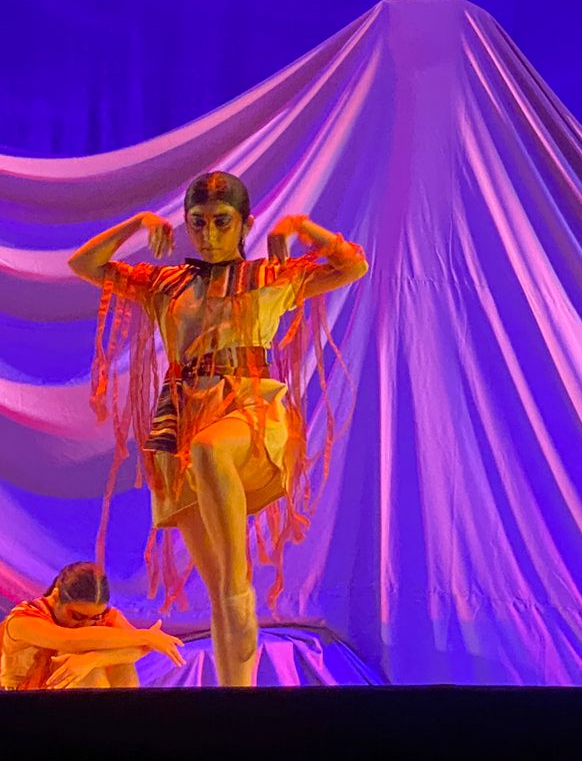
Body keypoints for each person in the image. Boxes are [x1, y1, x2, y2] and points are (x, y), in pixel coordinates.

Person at [70, 171, 367, 686]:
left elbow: (353, 264)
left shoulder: (269, 277)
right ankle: (236, 698)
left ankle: (239, 610)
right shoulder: (166, 284)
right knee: (225, 589)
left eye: (222, 222)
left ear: (245, 224)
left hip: (248, 411)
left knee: (211, 460)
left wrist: (302, 225)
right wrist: (138, 222)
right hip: (180, 424)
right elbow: (85, 264)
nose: (208, 234)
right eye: (198, 222)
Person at [0, 562, 184, 690]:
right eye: (78, 616)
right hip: (18, 713)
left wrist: (94, 659)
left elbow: (139, 649)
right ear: (56, 596)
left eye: (94, 618)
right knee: (84, 653)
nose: (87, 624)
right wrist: (146, 636)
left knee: (115, 659)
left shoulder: (103, 616)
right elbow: (70, 641)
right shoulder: (23, 620)